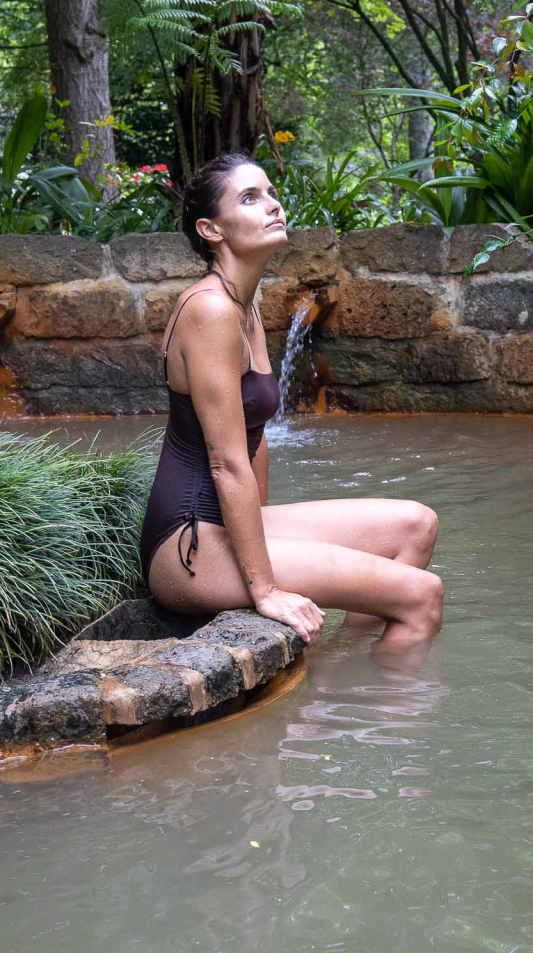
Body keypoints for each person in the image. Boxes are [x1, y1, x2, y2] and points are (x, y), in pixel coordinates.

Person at [138, 153, 444, 652]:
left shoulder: (246, 301)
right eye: (250, 198)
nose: (273, 206)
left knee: (416, 525)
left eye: (272, 194)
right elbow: (226, 462)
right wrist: (266, 588)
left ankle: (339, 668)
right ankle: (374, 714)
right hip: (187, 544)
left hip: (225, 524)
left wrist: (269, 540)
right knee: (423, 596)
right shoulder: (211, 309)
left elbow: (255, 441)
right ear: (211, 229)